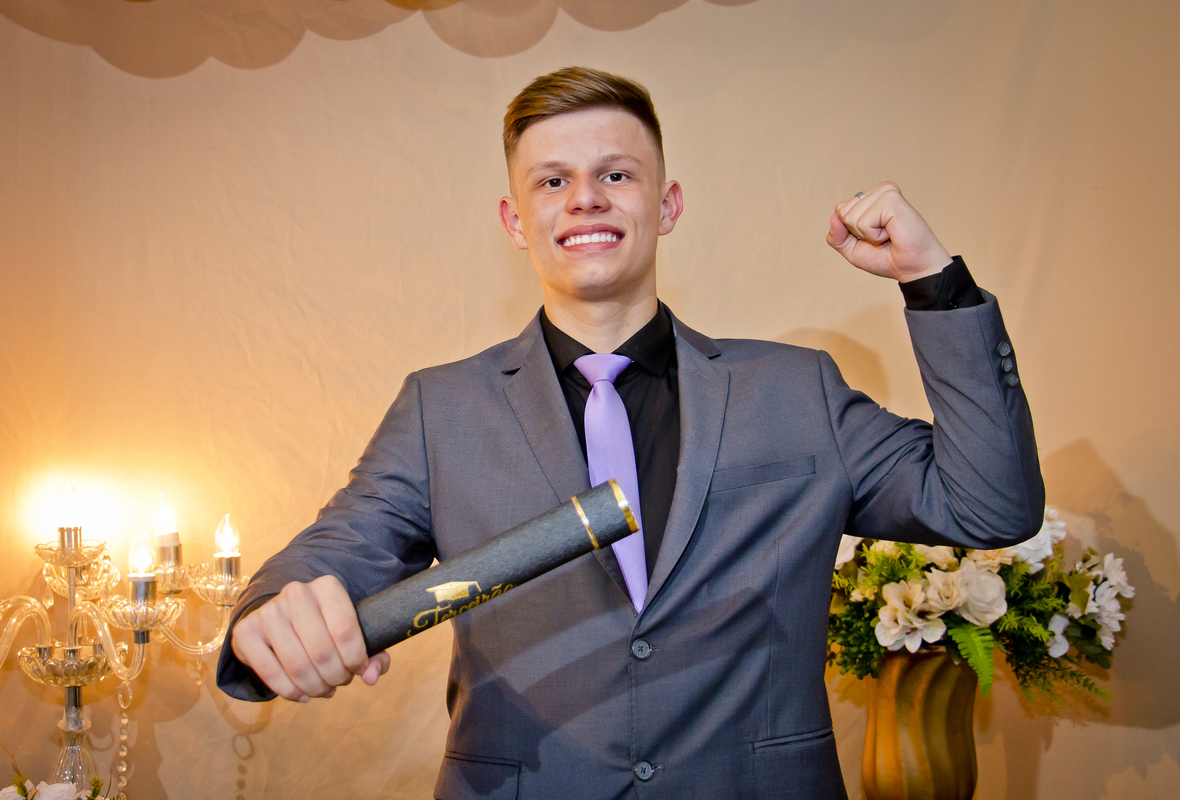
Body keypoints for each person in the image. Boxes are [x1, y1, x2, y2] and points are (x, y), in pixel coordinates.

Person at [217, 66, 1043, 799]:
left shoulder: (798, 390)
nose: (585, 198)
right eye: (552, 181)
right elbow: (340, 547)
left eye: (616, 174)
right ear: (515, 220)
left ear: (667, 204)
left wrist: (933, 283)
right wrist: (272, 611)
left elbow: (989, 504)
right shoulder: (442, 408)